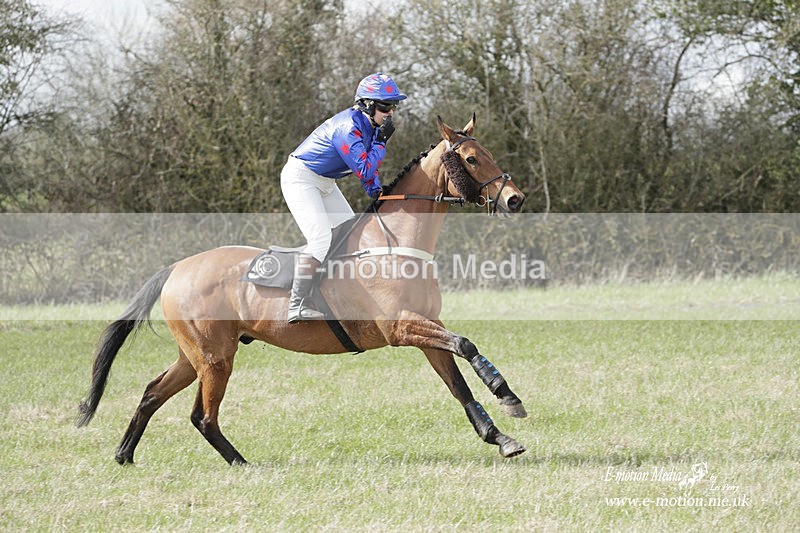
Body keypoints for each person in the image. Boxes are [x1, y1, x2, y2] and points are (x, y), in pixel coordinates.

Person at [281, 72, 407, 322]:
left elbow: (369, 173)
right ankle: (295, 305)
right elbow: (363, 169)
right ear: (367, 105)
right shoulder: (348, 127)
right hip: (301, 179)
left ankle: (335, 294)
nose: (390, 112)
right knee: (320, 239)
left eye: (393, 106)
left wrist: (377, 192)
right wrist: (382, 144)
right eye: (385, 106)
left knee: (351, 237)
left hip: (326, 182)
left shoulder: (370, 126)